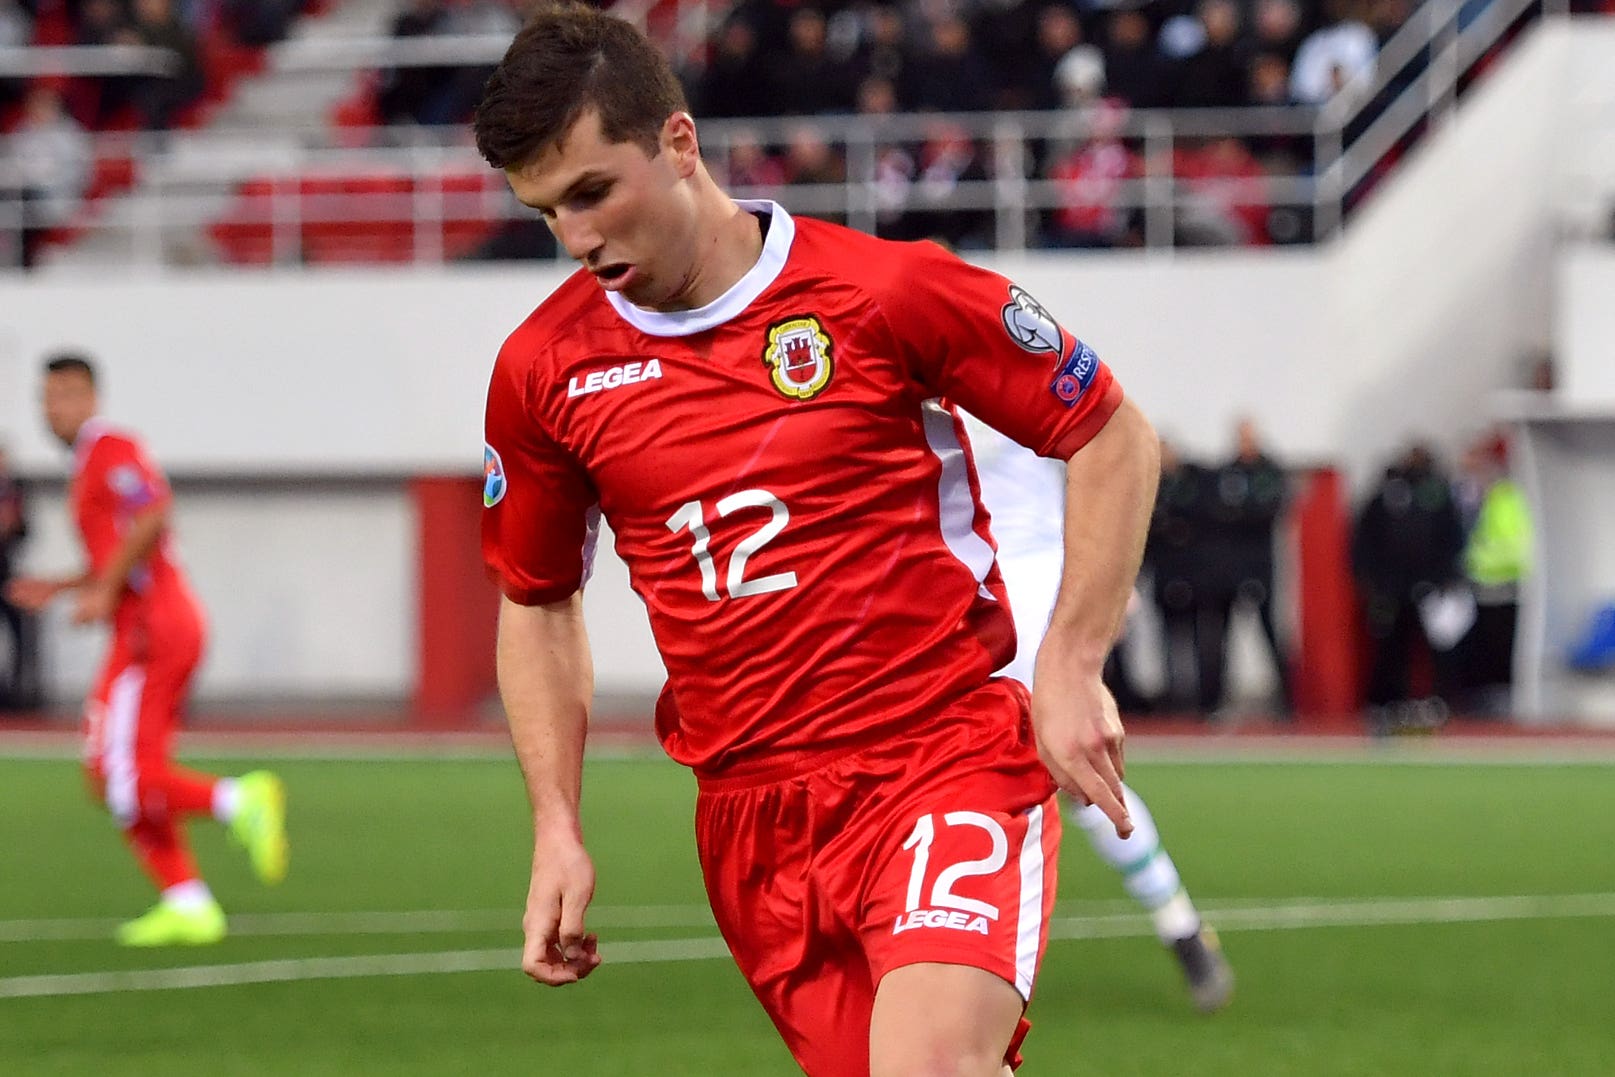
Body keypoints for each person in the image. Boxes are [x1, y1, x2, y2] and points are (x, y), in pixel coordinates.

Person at [474, 7, 1159, 1075]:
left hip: (940, 759)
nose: (578, 239)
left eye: (593, 192)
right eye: (547, 213)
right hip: (754, 821)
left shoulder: (881, 292)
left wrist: (1068, 663)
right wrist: (555, 825)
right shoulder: (544, 372)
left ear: (679, 142)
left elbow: (1110, 431)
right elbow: (538, 600)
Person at [5, 354, 288, 946]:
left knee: (124, 777)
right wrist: (64, 585)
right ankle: (188, 903)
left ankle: (239, 800)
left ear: (89, 398)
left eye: (62, 397)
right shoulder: (88, 461)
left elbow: (153, 510)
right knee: (109, 772)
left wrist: (105, 589)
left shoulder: (110, 447)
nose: (50, 410)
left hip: (154, 629)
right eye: (45, 399)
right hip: (141, 627)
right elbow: (121, 549)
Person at [962, 415, 1234, 1012]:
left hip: (1015, 595)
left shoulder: (974, 359)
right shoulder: (987, 360)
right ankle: (1182, 926)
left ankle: (1177, 926)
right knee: (1062, 781)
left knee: (1041, 778)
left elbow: (1107, 442)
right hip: (983, 589)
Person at [0, 442, 38, 710]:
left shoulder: (17, 489)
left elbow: (26, 531)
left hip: (7, 573)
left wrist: (13, 525)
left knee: (21, 635)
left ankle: (19, 694)